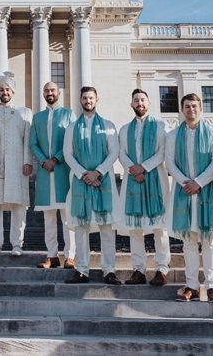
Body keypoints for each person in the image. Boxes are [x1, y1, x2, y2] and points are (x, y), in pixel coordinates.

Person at [165, 92, 213, 302]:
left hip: (205, 191)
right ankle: (191, 285)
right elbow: (170, 162)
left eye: (194, 106)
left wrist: (198, 182)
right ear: (182, 110)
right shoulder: (173, 135)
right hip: (183, 192)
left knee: (208, 240)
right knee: (189, 241)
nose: (191, 110)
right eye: (187, 106)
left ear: (201, 108)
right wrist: (185, 182)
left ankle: (211, 285)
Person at [63, 86, 121, 285]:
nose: (88, 101)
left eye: (91, 98)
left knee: (106, 227)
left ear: (97, 100)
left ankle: (109, 270)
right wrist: (83, 174)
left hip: (103, 181)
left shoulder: (108, 125)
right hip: (80, 181)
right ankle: (82, 270)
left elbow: (114, 152)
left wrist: (98, 172)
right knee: (81, 227)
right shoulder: (72, 127)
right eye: (85, 98)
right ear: (80, 100)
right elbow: (68, 154)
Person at [115, 88, 171, 286]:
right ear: (131, 104)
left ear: (149, 102)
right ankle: (138, 269)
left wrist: (144, 167)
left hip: (155, 179)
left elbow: (163, 151)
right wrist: (132, 169)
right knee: (135, 227)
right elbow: (120, 152)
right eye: (136, 100)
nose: (139, 103)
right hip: (133, 180)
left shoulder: (160, 126)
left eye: (142, 100)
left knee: (159, 226)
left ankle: (162, 269)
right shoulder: (124, 129)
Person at [0, 72, 33, 256]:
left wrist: (28, 161)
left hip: (17, 164)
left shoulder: (24, 113)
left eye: (8, 89)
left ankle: (17, 244)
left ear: (13, 92)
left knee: (18, 205)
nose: (5, 92)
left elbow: (28, 140)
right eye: (2, 89)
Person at [29, 81, 76, 269]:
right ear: (43, 94)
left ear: (59, 93)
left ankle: (70, 256)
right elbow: (33, 143)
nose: (50, 93)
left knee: (67, 217)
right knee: (48, 218)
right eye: (46, 90)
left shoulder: (68, 114)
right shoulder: (37, 117)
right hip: (44, 173)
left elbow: (71, 141)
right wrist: (43, 161)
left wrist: (55, 159)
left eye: (53, 90)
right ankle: (52, 255)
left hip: (62, 171)